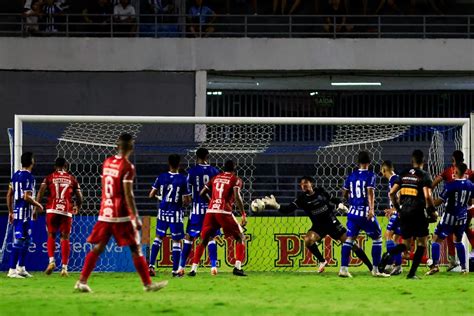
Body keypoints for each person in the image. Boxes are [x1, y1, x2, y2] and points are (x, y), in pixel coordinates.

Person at [75, 133, 168, 292]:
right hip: (120, 215)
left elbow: (105, 185)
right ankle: (147, 284)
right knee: (135, 248)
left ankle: (82, 281)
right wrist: (135, 216)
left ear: (117, 146)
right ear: (131, 147)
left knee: (99, 247)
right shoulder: (127, 167)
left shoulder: (107, 162)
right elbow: (128, 194)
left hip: (106, 211)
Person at [260, 176, 374, 274]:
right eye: (301, 184)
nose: (303, 185)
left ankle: (372, 267)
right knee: (308, 240)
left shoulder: (320, 191)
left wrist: (339, 203)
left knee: (353, 245)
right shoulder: (301, 199)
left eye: (306, 183)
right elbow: (287, 209)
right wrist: (276, 206)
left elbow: (333, 199)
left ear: (311, 184)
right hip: (318, 227)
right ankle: (322, 260)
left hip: (332, 223)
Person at [378, 150, 437, 279]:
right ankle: (411, 274)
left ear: (412, 161)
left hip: (404, 213)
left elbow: (392, 193)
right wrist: (432, 211)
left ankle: (387, 256)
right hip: (418, 213)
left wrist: (398, 209)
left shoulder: (403, 174)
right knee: (422, 243)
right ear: (423, 161)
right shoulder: (424, 175)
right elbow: (427, 196)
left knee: (405, 244)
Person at [188, 160, 247, 276]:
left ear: (223, 168)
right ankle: (237, 268)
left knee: (204, 239)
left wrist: (212, 202)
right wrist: (243, 214)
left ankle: (193, 269)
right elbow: (237, 195)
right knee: (241, 237)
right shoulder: (236, 179)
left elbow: (202, 192)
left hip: (211, 211)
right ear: (234, 168)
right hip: (224, 211)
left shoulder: (216, 177)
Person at [339, 151, 388, 278]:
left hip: (352, 213)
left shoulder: (351, 175)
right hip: (364, 212)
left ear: (358, 163)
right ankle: (376, 270)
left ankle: (343, 269)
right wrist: (371, 209)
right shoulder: (371, 175)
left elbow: (344, 192)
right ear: (369, 163)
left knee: (349, 239)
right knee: (377, 238)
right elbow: (370, 193)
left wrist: (345, 201)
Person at [36, 157, 83, 277]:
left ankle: (51, 261)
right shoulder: (72, 178)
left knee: (51, 235)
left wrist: (37, 206)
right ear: (66, 166)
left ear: (55, 167)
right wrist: (78, 206)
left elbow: (41, 191)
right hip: (66, 210)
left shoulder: (50, 177)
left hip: (52, 208)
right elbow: (79, 195)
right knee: (65, 238)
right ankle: (64, 268)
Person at [178, 148, 220, 276]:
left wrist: (184, 201)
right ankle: (213, 266)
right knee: (211, 237)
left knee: (189, 238)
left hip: (196, 211)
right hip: (211, 210)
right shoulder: (215, 172)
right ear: (208, 156)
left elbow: (187, 196)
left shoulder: (192, 172)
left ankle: (181, 267)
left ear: (196, 157)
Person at [148, 154, 191, 277]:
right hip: (175, 213)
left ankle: (151, 266)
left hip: (162, 212)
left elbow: (151, 194)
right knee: (176, 241)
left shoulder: (161, 177)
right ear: (179, 164)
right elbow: (187, 200)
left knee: (158, 238)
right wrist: (183, 203)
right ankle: (175, 271)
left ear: (169, 163)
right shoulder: (183, 179)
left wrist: (160, 197)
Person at [427, 163, 473, 275]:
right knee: (458, 240)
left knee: (436, 239)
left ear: (456, 172)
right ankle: (463, 268)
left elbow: (439, 201)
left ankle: (435, 266)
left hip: (449, 217)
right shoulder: (471, 185)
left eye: (454, 170)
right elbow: (470, 201)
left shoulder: (450, 185)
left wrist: (428, 203)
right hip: (462, 217)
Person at [6, 152, 43, 278]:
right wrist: (38, 205)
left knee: (27, 240)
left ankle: (21, 268)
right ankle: (11, 270)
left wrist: (11, 211)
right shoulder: (28, 177)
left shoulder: (15, 175)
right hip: (22, 215)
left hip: (22, 213)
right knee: (19, 241)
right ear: (31, 161)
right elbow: (26, 197)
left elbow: (9, 194)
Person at [380, 160, 403, 275]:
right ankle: (398, 266)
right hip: (400, 213)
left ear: (384, 170)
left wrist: (393, 210)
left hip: (398, 213)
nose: (382, 174)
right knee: (395, 240)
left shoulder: (394, 179)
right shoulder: (394, 179)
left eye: (382, 171)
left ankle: (389, 264)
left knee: (388, 235)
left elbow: (399, 196)